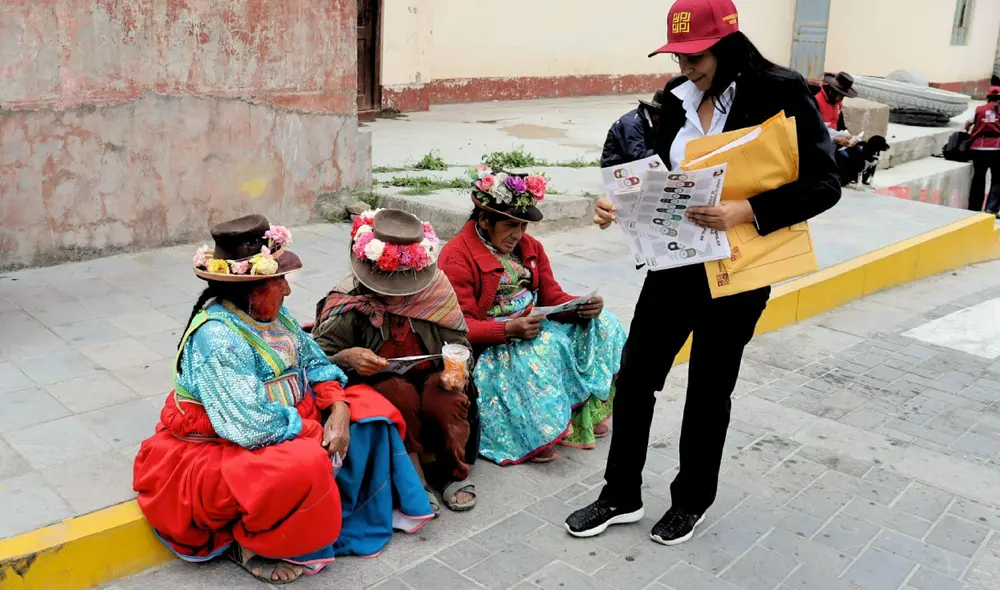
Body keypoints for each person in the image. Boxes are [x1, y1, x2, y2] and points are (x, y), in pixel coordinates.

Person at [566, 0, 840, 546]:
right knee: (637, 375)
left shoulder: (778, 92)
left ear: (728, 44)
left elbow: (825, 182)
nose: (685, 67)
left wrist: (748, 211)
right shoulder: (675, 99)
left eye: (696, 56)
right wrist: (614, 206)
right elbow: (661, 181)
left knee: (709, 388)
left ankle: (690, 501)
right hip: (674, 264)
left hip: (738, 270)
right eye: (678, 55)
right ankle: (620, 494)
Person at [132, 215, 433, 584]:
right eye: (280, 283)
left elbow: (315, 363)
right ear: (253, 290)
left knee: (371, 411)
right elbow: (250, 425)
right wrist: (314, 430)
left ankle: (352, 511)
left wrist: (337, 409)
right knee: (304, 461)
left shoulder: (274, 316)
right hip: (227, 445)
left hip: (285, 420)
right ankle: (251, 545)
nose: (287, 292)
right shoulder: (217, 338)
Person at [438, 167, 627, 464]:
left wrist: (580, 305)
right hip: (494, 343)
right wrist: (509, 329)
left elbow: (552, 296)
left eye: (523, 226)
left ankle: (580, 414)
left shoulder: (531, 247)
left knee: (605, 324)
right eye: (510, 226)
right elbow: (461, 328)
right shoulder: (456, 256)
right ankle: (536, 431)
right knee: (548, 345)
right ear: (485, 220)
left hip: (533, 322)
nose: (518, 235)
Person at [312, 209, 478, 514]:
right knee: (397, 394)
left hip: (432, 375)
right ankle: (416, 480)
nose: (394, 293)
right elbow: (316, 358)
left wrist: (456, 370)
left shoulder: (437, 291)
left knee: (444, 399)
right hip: (379, 382)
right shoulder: (350, 300)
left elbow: (458, 342)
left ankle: (453, 472)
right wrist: (347, 357)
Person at [600, 90, 665, 167]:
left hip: (632, 162)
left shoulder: (652, 121)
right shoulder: (632, 124)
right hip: (615, 167)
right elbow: (637, 156)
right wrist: (664, 150)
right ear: (657, 114)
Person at [964, 86, 1000, 215]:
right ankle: (991, 208)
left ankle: (974, 208)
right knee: (997, 179)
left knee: (979, 178)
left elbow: (967, 123)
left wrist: (969, 130)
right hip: (997, 148)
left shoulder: (979, 109)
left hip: (979, 148)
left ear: (988, 97)